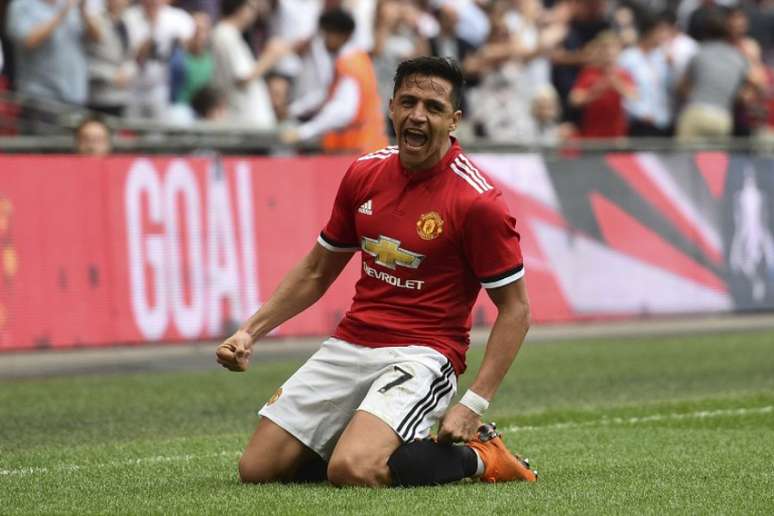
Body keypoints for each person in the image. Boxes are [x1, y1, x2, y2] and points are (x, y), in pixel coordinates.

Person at [216, 56, 536, 487]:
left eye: (433, 107)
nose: (417, 116)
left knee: (354, 468)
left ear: (454, 121)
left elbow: (515, 309)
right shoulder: (364, 173)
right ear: (391, 108)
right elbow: (316, 270)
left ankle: (480, 456)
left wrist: (473, 402)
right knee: (256, 470)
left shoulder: (478, 201)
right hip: (352, 341)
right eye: (408, 102)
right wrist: (248, 332)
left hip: (424, 352)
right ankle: (368, 437)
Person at [281, 8, 388, 154]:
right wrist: (294, 110)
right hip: (363, 147)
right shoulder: (357, 58)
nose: (324, 40)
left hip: (357, 149)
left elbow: (343, 110)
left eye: (327, 34)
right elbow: (328, 94)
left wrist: (304, 132)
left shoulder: (349, 64)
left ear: (343, 36)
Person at [5, 0, 101, 133]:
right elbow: (28, 40)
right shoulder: (22, 5)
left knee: (71, 151)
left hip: (75, 95)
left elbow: (98, 38)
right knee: (45, 149)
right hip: (40, 98)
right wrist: (62, 14)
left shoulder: (73, 5)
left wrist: (84, 12)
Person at [211, 0, 291, 129]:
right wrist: (271, 56)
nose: (255, 12)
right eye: (252, 7)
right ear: (239, 9)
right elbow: (243, 77)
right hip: (244, 120)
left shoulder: (230, 34)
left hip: (248, 120)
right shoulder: (226, 33)